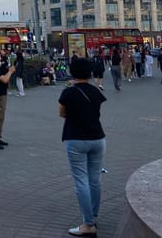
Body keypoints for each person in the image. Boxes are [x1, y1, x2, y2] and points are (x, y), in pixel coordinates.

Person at [58, 58, 106, 238]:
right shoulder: (96, 91)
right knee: (95, 180)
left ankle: (87, 224)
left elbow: (61, 113)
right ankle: (93, 216)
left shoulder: (68, 92)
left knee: (81, 181)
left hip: (76, 139)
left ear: (73, 72)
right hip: (98, 138)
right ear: (90, 73)